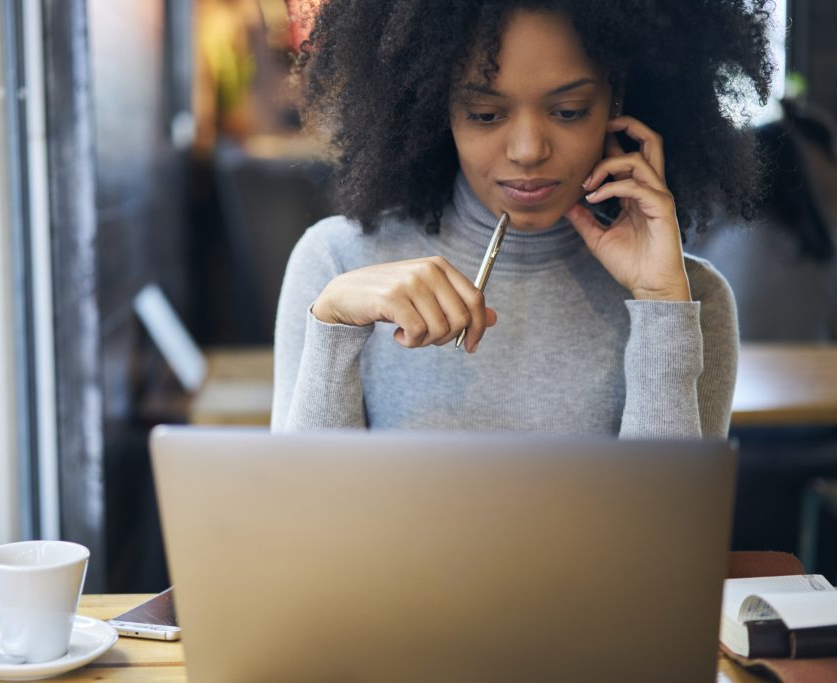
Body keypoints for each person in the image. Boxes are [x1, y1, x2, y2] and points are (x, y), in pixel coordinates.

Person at [272, 0, 775, 437]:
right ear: (432, 105)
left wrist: (662, 309)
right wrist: (334, 325)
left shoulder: (693, 300)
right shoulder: (336, 266)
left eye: (570, 110)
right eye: (486, 115)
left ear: (616, 99)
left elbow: (673, 538)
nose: (529, 150)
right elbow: (295, 524)